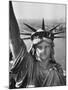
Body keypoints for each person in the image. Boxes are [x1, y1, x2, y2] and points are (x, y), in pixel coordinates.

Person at [9, 1, 66, 89]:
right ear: (34, 50)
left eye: (47, 47)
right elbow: (14, 39)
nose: (44, 51)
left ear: (51, 49)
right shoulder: (28, 66)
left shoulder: (57, 71)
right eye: (40, 47)